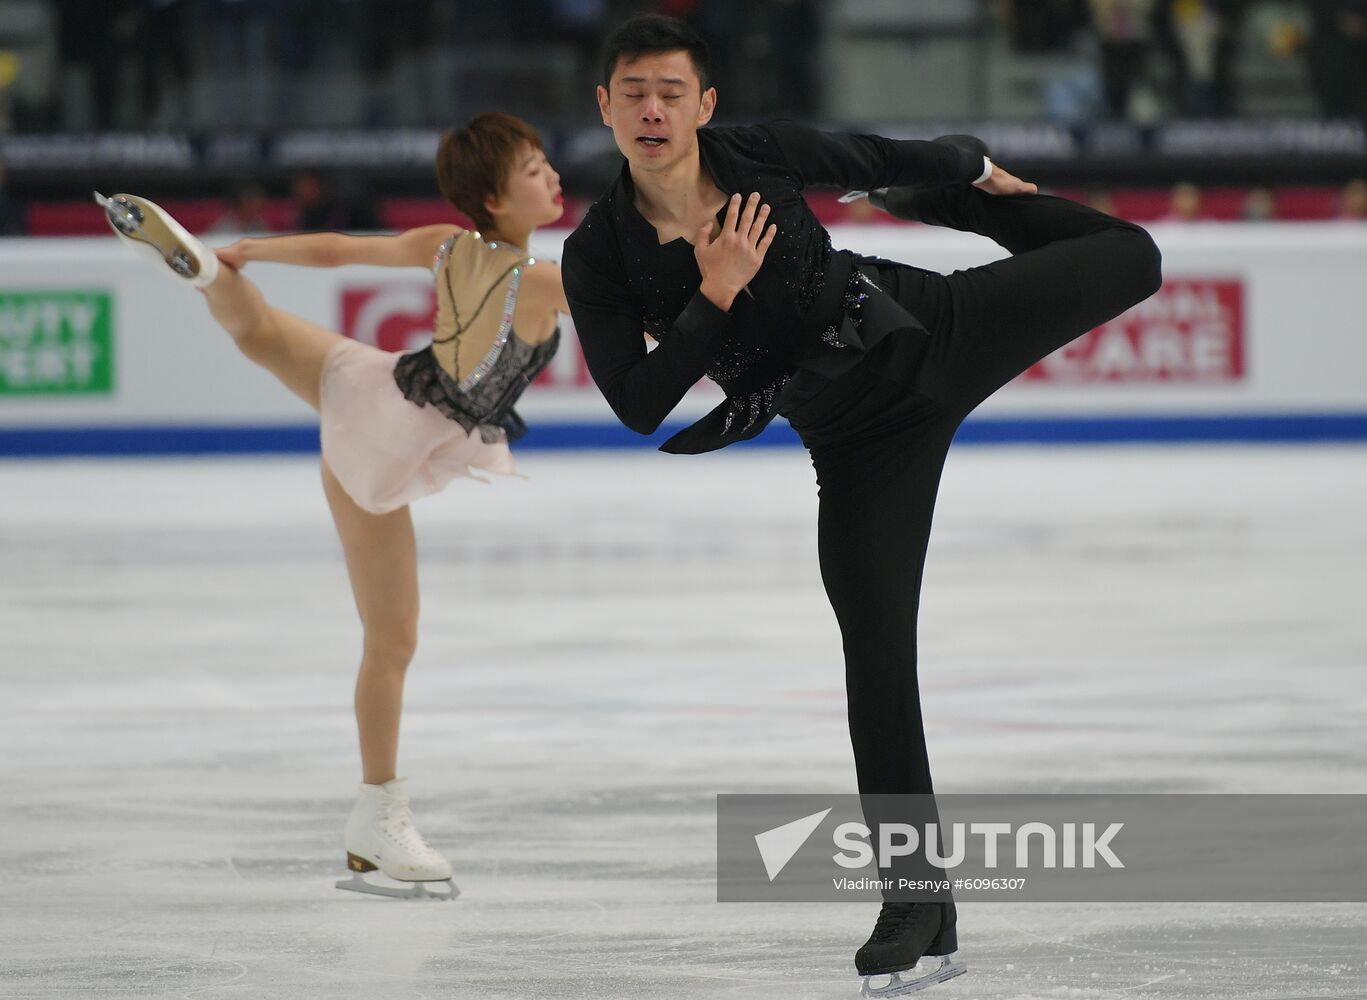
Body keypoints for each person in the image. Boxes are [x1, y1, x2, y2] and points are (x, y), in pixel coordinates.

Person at [561, 15, 1162, 995]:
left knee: (1131, 257)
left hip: (929, 332)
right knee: (875, 651)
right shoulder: (601, 255)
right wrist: (712, 294)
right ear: (604, 106)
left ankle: (987, 217)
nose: (652, 109)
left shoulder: (757, 152)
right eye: (632, 91)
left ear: (704, 104)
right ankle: (917, 900)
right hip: (852, 444)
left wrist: (970, 180)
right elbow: (635, 402)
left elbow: (885, 156)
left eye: (670, 90)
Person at [96, 112, 568, 900]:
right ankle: (377, 820)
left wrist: (250, 249)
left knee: (262, 330)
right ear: (494, 196)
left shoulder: (440, 244)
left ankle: (212, 274)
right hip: (394, 439)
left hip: (377, 390)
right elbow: (658, 315)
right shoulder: (546, 280)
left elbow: (338, 250)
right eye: (533, 166)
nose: (552, 174)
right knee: (392, 640)